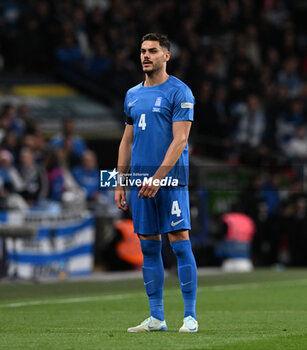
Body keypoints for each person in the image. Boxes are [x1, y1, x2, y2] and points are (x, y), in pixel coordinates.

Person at [115, 33, 198, 333]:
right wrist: (120, 181)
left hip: (171, 181)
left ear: (166, 55)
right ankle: (156, 318)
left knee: (179, 242)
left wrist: (157, 178)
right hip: (139, 182)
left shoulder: (180, 92)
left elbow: (180, 140)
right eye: (142, 51)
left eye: (152, 50)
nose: (145, 56)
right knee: (148, 247)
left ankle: (190, 316)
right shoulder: (132, 95)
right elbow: (127, 140)